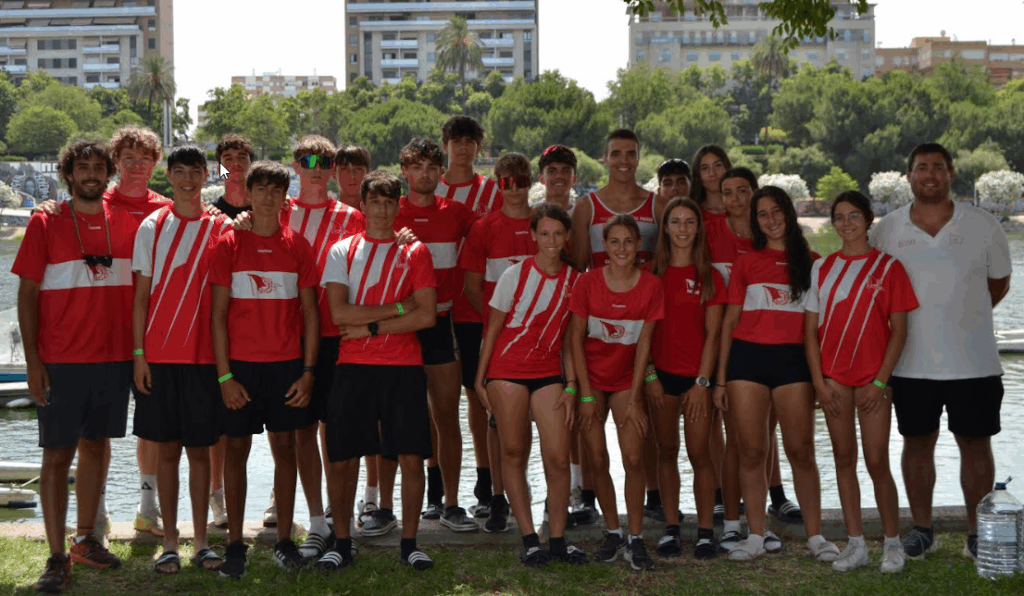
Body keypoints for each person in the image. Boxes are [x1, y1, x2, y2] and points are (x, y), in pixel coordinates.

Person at [869, 143, 1012, 560]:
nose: (929, 174)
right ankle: (922, 530)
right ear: (908, 175)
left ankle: (976, 532)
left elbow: (997, 286)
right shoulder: (886, 230)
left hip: (974, 360)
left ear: (951, 173)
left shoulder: (985, 225)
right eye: (920, 168)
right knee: (916, 443)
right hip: (911, 363)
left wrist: (961, 313)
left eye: (937, 167)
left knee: (976, 444)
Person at [14, 139, 134, 593]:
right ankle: (55, 554)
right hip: (61, 360)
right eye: (82, 167)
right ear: (68, 174)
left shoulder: (124, 220)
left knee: (98, 447)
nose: (90, 174)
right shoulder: (46, 221)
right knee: (57, 454)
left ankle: (87, 538)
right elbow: (27, 295)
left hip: (112, 358)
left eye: (98, 168)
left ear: (108, 175)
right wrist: (33, 362)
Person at [316, 170, 438, 571]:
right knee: (343, 457)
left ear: (398, 205)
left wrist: (371, 325)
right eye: (376, 201)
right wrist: (401, 307)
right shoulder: (342, 251)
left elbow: (426, 316)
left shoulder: (415, 252)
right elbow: (338, 313)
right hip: (353, 367)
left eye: (390, 201)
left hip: (403, 366)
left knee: (410, 456)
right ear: (363, 205)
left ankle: (410, 543)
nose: (383, 208)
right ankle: (343, 541)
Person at [713, 186, 837, 563]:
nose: (771, 219)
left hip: (793, 363)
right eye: (762, 214)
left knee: (800, 450)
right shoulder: (747, 262)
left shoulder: (813, 263)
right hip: (746, 362)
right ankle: (754, 535)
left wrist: (822, 378)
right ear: (756, 221)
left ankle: (816, 537)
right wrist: (719, 379)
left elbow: (820, 329)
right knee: (752, 451)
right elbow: (729, 322)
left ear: (788, 213)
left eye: (776, 211)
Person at [209, 160, 320, 577]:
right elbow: (217, 316)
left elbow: (311, 315)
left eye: (277, 190)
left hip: (287, 366)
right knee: (236, 450)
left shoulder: (298, 245)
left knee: (286, 448)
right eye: (262, 189)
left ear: (284, 197)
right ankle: (235, 543)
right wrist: (224, 376)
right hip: (240, 368)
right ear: (249, 194)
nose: (269, 197)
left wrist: (309, 372)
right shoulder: (228, 244)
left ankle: (284, 540)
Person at [804, 191, 918, 573]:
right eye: (839, 216)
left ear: (869, 220)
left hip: (873, 382)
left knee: (876, 460)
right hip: (834, 380)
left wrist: (881, 382)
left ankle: (891, 543)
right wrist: (818, 384)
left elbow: (899, 332)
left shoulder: (889, 268)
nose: (846, 223)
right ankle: (856, 545)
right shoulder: (821, 269)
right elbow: (809, 334)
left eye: (854, 215)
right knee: (843, 459)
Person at [131, 145, 231, 574]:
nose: (188, 179)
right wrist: (139, 356)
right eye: (180, 171)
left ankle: (202, 542)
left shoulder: (222, 225)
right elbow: (139, 300)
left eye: (196, 171)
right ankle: (169, 542)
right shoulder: (152, 226)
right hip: (159, 357)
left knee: (201, 453)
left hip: (204, 359)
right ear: (168, 175)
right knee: (167, 452)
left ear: (206, 175)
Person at [474, 203, 588, 567]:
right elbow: (492, 329)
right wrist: (480, 377)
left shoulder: (576, 281)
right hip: (506, 370)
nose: (551, 240)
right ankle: (528, 540)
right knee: (513, 452)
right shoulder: (515, 274)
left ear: (567, 236)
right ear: (534, 235)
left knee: (557, 457)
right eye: (544, 233)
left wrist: (572, 384)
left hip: (548, 372)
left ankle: (556, 539)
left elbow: (571, 341)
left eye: (558, 233)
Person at [280, 135, 367, 558]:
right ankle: (315, 521)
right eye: (306, 159)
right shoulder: (277, 212)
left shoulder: (352, 216)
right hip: (288, 338)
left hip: (338, 339)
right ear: (295, 166)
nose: (316, 166)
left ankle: (340, 518)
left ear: (333, 167)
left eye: (324, 160)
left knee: (339, 433)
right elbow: (231, 186)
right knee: (302, 433)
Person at [707, 168, 802, 553]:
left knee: (762, 440)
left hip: (779, 355)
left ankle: (760, 520)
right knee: (740, 444)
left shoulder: (793, 250)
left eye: (742, 191)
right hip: (732, 348)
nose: (734, 199)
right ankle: (734, 522)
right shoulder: (714, 232)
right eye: (726, 192)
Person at [392, 137, 478, 532]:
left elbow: (496, 232)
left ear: (440, 173)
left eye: (431, 168)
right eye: (416, 168)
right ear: (405, 172)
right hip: (404, 324)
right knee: (404, 415)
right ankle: (399, 500)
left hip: (443, 322)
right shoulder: (388, 211)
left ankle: (452, 502)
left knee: (446, 415)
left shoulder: (457, 213)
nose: (424, 175)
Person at [570, 214, 665, 571]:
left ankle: (635, 539)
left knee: (634, 457)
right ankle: (612, 530)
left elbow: (644, 347)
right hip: (592, 380)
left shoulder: (651, 286)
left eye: (629, 241)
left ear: (638, 246)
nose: (622, 248)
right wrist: (585, 395)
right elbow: (575, 341)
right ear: (604, 247)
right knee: (597, 460)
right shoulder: (587, 283)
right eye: (614, 242)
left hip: (627, 380)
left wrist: (637, 397)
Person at [459, 152, 537, 534]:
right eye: (506, 182)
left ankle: (529, 493)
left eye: (521, 180)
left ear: (530, 181)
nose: (515, 188)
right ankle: (497, 497)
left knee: (532, 418)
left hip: (539, 338)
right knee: (495, 419)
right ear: (496, 184)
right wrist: (500, 326)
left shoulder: (545, 225)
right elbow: (472, 288)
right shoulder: (483, 227)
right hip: (496, 336)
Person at [647, 197, 725, 559]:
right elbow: (642, 334)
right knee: (666, 451)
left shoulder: (709, 275)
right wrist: (650, 376)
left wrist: (703, 383)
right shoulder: (651, 275)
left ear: (698, 228)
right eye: (675, 221)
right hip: (661, 379)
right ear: (664, 228)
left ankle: (707, 531)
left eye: (689, 222)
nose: (682, 229)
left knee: (700, 454)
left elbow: (713, 335)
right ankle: (672, 528)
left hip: (696, 381)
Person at [437, 115, 503, 520]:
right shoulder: (431, 186)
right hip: (437, 308)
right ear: (445, 145)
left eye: (470, 142)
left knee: (480, 398)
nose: (463, 148)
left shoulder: (493, 191)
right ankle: (437, 489)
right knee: (438, 403)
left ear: (479, 147)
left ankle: (486, 481)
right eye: (456, 141)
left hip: (478, 309)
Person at [207, 135, 255, 530]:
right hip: (223, 333)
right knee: (223, 428)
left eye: (242, 159)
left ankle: (276, 500)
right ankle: (216, 496)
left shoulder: (269, 210)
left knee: (278, 426)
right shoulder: (210, 214)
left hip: (264, 332)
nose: (235, 165)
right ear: (219, 168)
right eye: (227, 159)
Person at [570, 129, 659, 271]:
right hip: (599, 293)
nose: (624, 160)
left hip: (646, 292)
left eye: (631, 154)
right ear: (606, 159)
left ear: (638, 160)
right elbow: (577, 268)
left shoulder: (658, 205)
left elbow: (666, 263)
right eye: (616, 154)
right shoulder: (585, 207)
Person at [211, 134, 254, 219]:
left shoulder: (266, 210)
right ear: (219, 170)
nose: (236, 163)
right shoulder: (213, 214)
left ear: (252, 166)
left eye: (242, 157)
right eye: (228, 159)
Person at [689, 145, 731, 219]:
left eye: (718, 165)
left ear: (727, 168)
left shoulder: (743, 209)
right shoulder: (691, 213)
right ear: (698, 174)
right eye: (704, 168)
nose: (712, 173)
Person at [534, 144, 578, 211]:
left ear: (574, 178)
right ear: (541, 178)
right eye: (552, 171)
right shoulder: (531, 216)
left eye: (566, 171)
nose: (559, 176)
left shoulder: (585, 218)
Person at [335, 143, 370, 210]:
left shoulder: (379, 215)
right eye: (344, 169)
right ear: (334, 174)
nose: (352, 176)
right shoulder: (326, 215)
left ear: (368, 174)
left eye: (358, 169)